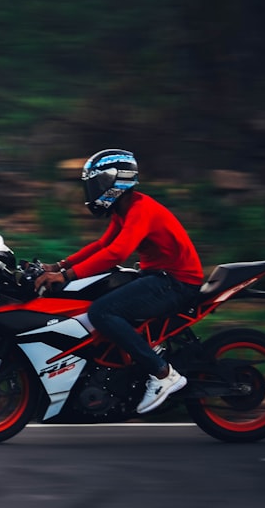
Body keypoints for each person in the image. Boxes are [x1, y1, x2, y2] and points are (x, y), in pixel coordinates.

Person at [34, 149, 204, 414]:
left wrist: (66, 276)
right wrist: (59, 266)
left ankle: (162, 374)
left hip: (176, 282)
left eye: (96, 183)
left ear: (116, 181)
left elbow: (117, 253)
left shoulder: (140, 209)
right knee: (98, 296)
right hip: (156, 276)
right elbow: (103, 244)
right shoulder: (123, 210)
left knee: (102, 311)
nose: (91, 191)